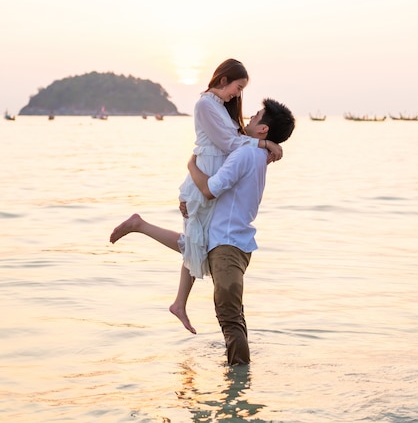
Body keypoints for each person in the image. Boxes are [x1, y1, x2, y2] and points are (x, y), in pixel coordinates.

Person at [109, 98, 295, 365]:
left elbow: (209, 189)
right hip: (233, 244)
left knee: (230, 322)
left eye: (256, 116)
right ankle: (236, 378)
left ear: (264, 129)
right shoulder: (257, 154)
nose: (250, 118)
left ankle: (237, 388)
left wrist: (191, 167)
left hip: (227, 247)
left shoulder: (245, 153)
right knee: (196, 252)